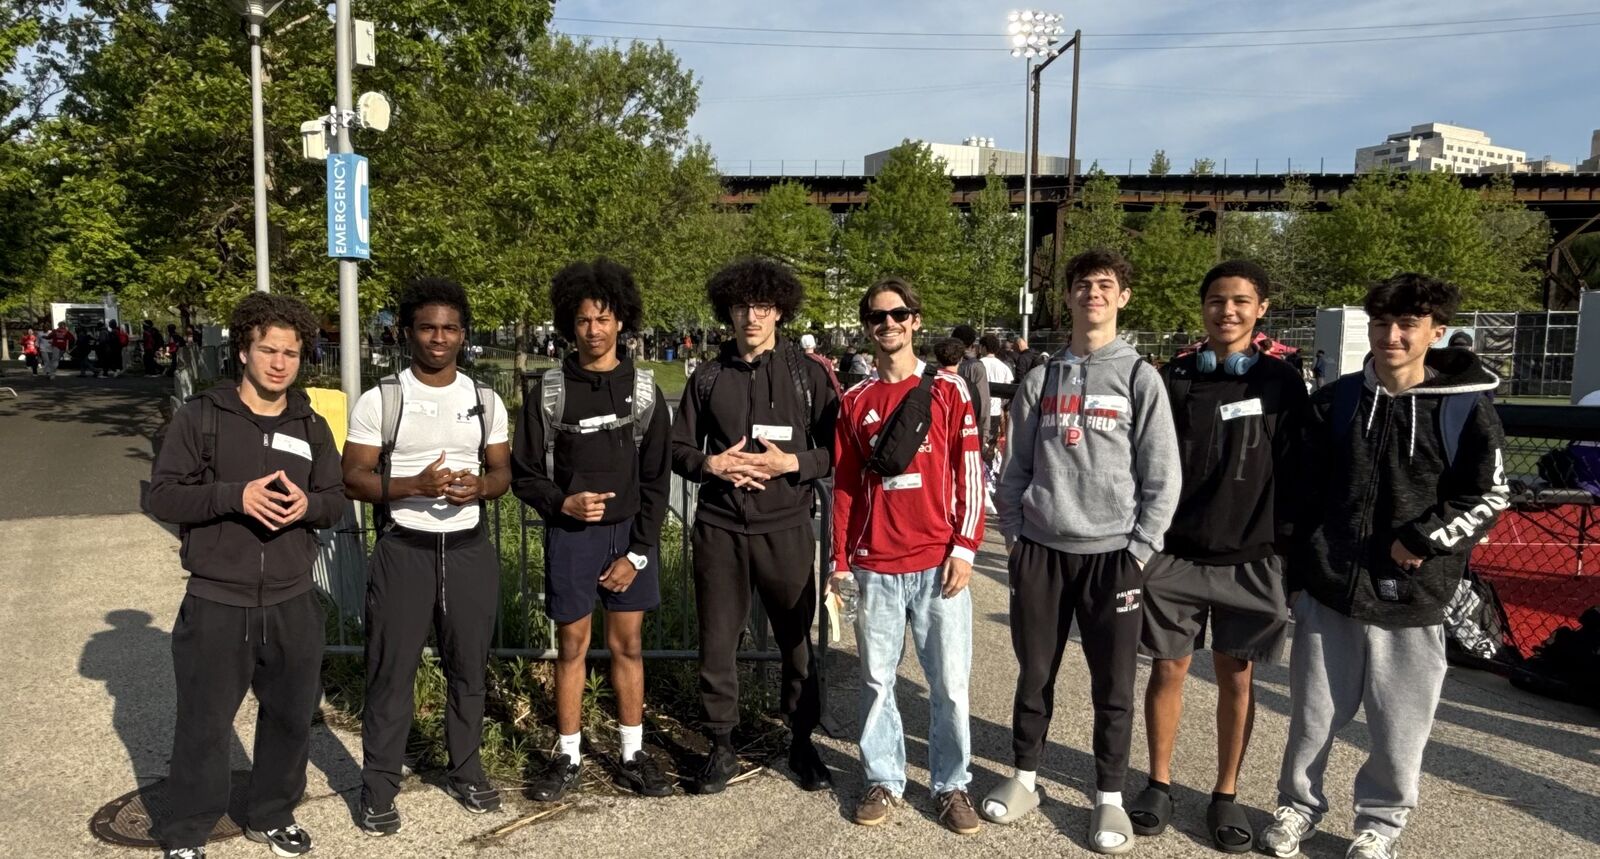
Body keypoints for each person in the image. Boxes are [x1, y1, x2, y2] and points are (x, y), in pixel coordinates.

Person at [1261, 274, 1508, 859]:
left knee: (1400, 730)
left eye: (1407, 325)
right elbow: (1299, 496)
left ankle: (1380, 826)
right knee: (1312, 718)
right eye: (1381, 324)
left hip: (1415, 599)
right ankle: (1297, 809)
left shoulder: (1467, 409)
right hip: (1330, 590)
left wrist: (1422, 540)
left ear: (1436, 332)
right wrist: (1298, 576)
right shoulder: (1337, 400)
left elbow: (1490, 497)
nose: (1391, 336)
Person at [987, 247, 1181, 855]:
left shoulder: (1139, 377)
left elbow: (1162, 476)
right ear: (1066, 297)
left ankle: (1109, 797)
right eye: (1081, 284)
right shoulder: (1040, 378)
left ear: (1122, 297)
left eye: (1105, 284)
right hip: (1041, 552)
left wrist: (1140, 551)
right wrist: (1018, 538)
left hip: (1112, 558)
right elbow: (1012, 468)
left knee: (1113, 683)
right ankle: (1025, 778)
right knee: (1034, 674)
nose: (1092, 293)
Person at [145, 293, 344, 859]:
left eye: (292, 353)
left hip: (292, 598)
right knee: (205, 725)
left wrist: (308, 506)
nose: (280, 363)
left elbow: (336, 501)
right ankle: (187, 832)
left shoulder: (310, 424)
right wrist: (235, 497)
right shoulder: (202, 417)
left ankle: (272, 813)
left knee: (289, 717)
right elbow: (163, 496)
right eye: (268, 350)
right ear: (243, 351)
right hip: (217, 598)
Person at [1126, 260, 1309, 853]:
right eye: (1216, 300)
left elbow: (1297, 472)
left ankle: (1225, 794)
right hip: (1176, 555)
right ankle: (1158, 782)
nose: (1226, 311)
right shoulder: (1174, 377)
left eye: (1240, 301)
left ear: (1260, 311)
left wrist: (1286, 555)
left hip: (1252, 559)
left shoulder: (1282, 383)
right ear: (1202, 307)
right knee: (1168, 669)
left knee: (1237, 676)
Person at [342, 277, 512, 833]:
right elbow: (354, 478)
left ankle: (466, 769)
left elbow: (503, 473)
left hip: (467, 549)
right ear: (408, 332)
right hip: (404, 550)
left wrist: (478, 489)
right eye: (427, 328)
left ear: (463, 335)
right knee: (391, 672)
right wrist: (416, 484)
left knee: (469, 669)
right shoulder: (383, 399)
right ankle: (378, 786)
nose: (438, 338)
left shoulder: (485, 400)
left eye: (449, 328)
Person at [669, 258, 838, 795]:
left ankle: (801, 740)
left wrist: (790, 464)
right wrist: (710, 465)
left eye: (763, 307)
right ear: (729, 311)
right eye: (742, 306)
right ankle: (722, 744)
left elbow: (838, 451)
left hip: (786, 527)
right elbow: (678, 449)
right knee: (718, 640)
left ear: (780, 311)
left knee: (795, 639)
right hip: (720, 527)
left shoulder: (806, 373)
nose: (752, 316)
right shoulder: (708, 375)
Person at [512, 260, 674, 800]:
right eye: (583, 321)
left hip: (627, 535)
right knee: (572, 646)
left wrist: (640, 554)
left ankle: (632, 753)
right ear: (569, 325)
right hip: (571, 538)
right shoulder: (549, 392)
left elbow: (656, 482)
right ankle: (567, 757)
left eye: (603, 319)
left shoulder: (646, 393)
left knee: (627, 645)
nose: (594, 330)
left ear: (621, 321)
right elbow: (524, 474)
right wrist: (564, 504)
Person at [833, 300, 984, 834]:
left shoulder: (948, 389)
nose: (889, 324)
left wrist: (965, 547)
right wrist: (840, 560)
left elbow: (969, 468)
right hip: (876, 563)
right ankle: (883, 777)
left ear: (915, 321)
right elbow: (846, 484)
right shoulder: (854, 399)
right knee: (876, 680)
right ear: (867, 327)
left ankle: (951, 785)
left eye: (900, 315)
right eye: (878, 317)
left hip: (938, 561)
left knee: (948, 683)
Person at [977, 334, 1014, 513]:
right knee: (991, 446)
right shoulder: (1003, 367)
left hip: (978, 411)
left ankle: (983, 480)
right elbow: (1009, 389)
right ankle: (989, 479)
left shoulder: (978, 364)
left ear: (983, 347)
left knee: (979, 446)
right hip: (995, 411)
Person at [949, 325, 992, 456]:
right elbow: (984, 402)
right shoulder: (977, 367)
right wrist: (985, 433)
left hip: (948, 423)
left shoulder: (945, 363)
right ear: (973, 343)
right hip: (970, 425)